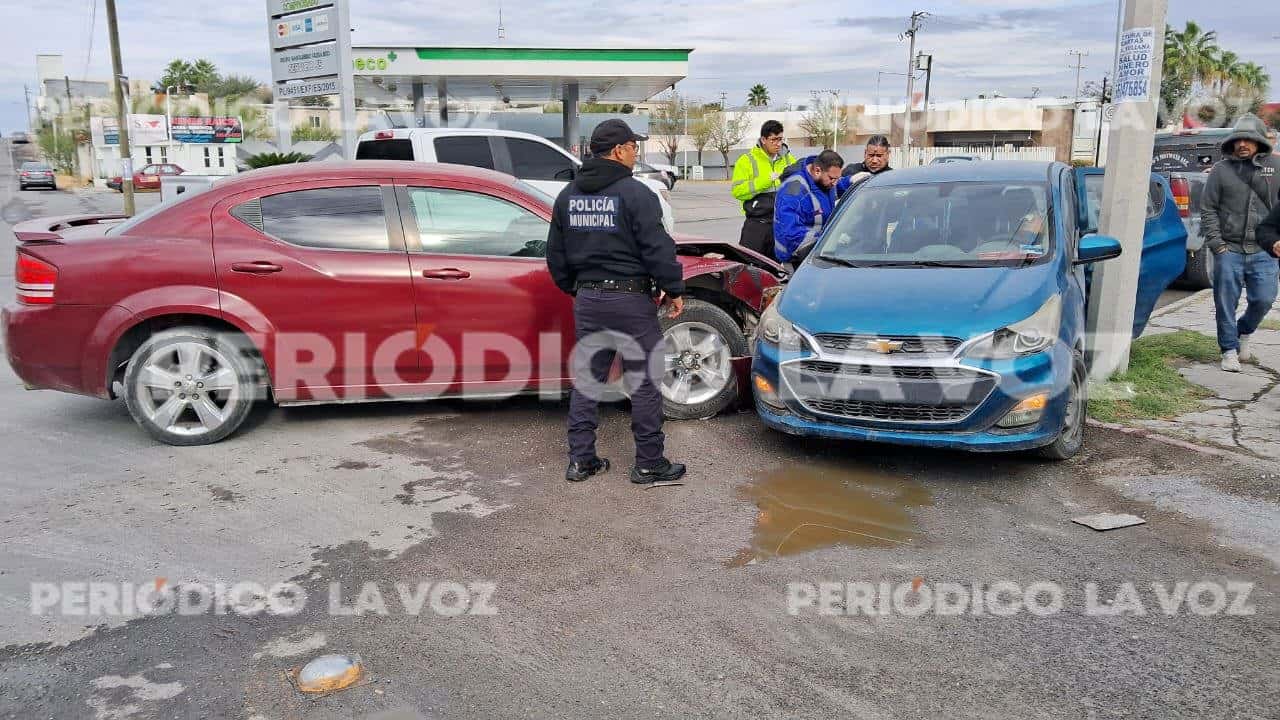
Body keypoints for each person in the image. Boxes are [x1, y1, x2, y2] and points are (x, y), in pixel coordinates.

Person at [546, 119, 688, 485]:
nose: (636, 153)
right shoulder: (636, 194)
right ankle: (649, 463)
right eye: (634, 147)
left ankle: (581, 460)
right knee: (643, 380)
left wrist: (578, 290)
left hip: (589, 299)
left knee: (588, 380)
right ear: (620, 151)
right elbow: (658, 249)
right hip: (630, 301)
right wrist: (673, 289)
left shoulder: (567, 196)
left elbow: (555, 256)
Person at [1200, 113, 1280, 372]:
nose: (1243, 144)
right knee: (1225, 303)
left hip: (1263, 250)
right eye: (1238, 139)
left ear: (1259, 141)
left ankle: (1243, 331)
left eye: (1249, 139)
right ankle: (1228, 350)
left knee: (1264, 299)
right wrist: (1217, 245)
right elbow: (1208, 208)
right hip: (1229, 249)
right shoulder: (1220, 171)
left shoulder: (1276, 168)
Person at [731, 120, 798, 257]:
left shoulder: (788, 159)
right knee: (750, 266)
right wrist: (767, 180)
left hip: (781, 224)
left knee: (776, 268)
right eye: (774, 140)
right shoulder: (747, 160)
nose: (778, 144)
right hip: (757, 225)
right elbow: (738, 191)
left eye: (780, 139)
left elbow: (797, 187)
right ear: (763, 139)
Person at [772, 150, 844, 263]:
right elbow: (791, 233)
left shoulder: (824, 180)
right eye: (832, 179)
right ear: (817, 171)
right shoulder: (792, 191)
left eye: (838, 178)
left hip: (816, 252)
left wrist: (850, 181)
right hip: (795, 258)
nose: (835, 183)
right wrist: (829, 239)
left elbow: (837, 184)